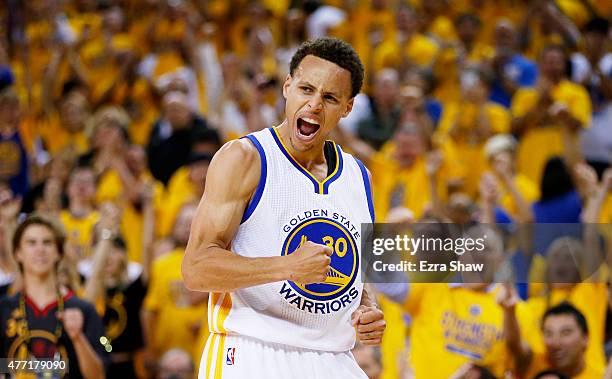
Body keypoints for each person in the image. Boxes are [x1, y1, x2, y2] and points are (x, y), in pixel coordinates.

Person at [182, 37, 385, 379]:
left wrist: (367, 308)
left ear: (347, 108)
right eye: (307, 89)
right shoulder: (245, 158)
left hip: (333, 357)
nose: (314, 105)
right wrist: (287, 267)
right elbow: (196, 268)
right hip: (252, 350)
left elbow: (359, 276)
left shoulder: (359, 176)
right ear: (287, 87)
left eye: (330, 98)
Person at [0, 214, 108, 379]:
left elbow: (99, 374)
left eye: (47, 242)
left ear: (58, 252)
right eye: (31, 242)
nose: (40, 249)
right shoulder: (4, 308)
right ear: (18, 253)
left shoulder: (84, 310)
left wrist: (78, 338)